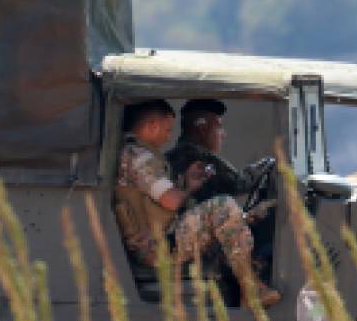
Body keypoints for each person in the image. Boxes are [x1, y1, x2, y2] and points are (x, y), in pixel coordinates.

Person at [112, 99, 281, 308]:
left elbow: (166, 200)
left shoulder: (139, 155)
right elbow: (172, 201)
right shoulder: (138, 156)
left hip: (159, 239)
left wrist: (189, 186)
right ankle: (251, 288)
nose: (168, 137)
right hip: (156, 248)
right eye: (167, 130)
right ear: (152, 126)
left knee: (231, 218)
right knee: (222, 206)